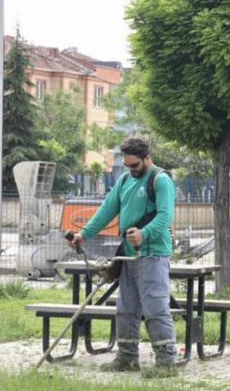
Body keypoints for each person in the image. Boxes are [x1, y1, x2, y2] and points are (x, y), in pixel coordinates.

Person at [71, 137, 177, 378]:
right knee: (126, 308)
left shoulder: (161, 181)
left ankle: (166, 362)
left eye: (135, 165)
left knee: (155, 308)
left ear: (146, 157)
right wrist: (84, 234)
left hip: (153, 254)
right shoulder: (125, 180)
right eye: (127, 165)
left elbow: (164, 216)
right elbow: (107, 209)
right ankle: (127, 358)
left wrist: (144, 233)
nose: (131, 169)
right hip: (128, 256)